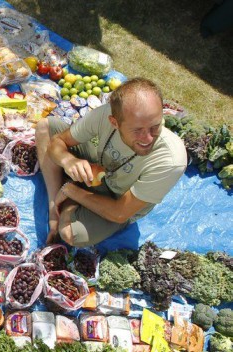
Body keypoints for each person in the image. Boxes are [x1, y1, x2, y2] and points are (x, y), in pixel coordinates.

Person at [35, 77, 187, 247]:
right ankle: (53, 210)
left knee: (69, 234)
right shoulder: (103, 114)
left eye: (155, 126)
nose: (148, 138)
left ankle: (70, 196)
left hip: (118, 201)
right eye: (137, 130)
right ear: (114, 122)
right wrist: (68, 160)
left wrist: (72, 191)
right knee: (44, 128)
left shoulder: (171, 160)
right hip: (98, 171)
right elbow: (58, 142)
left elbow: (120, 213)